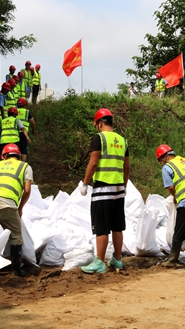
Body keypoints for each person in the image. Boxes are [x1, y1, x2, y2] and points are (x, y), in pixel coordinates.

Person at [79, 109, 130, 274]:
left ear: (99, 123)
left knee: (101, 227)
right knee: (117, 226)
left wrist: (85, 183)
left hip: (102, 189)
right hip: (118, 189)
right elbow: (126, 167)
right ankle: (117, 259)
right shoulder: (122, 140)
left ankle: (100, 262)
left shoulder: (99, 138)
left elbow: (93, 163)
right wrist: (124, 185)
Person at [0, 143, 33, 277]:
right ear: (19, 155)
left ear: (4, 156)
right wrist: (20, 208)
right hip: (6, 203)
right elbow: (27, 190)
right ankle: (16, 271)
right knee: (16, 237)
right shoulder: (24, 166)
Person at [16, 98, 35, 162]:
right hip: (24, 133)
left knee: (17, 148)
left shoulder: (14, 111)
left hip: (15, 133)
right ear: (25, 105)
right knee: (24, 149)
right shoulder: (27, 112)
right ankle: (22, 165)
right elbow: (33, 122)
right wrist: (33, 130)